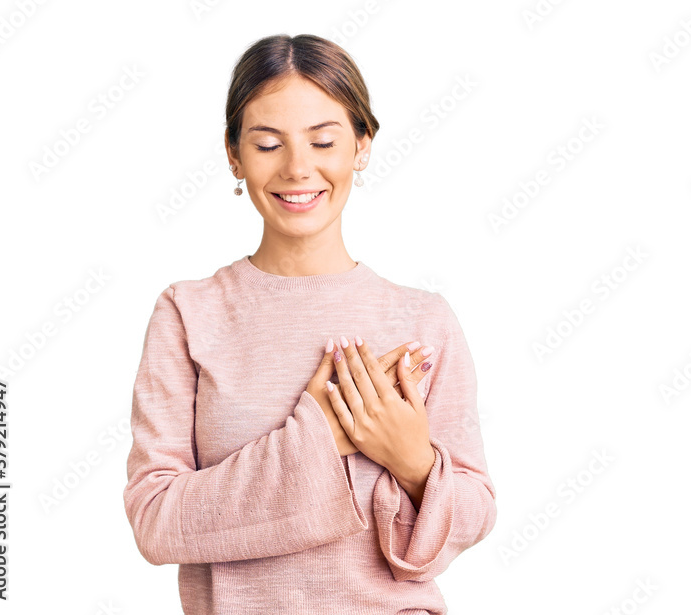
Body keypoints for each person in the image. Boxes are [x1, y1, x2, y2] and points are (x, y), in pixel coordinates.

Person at [122, 33, 496, 614]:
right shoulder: (188, 313)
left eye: (323, 141)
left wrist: (414, 463)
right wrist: (320, 437)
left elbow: (476, 512)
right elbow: (155, 522)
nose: (298, 169)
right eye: (268, 144)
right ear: (234, 154)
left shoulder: (424, 320)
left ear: (362, 146)